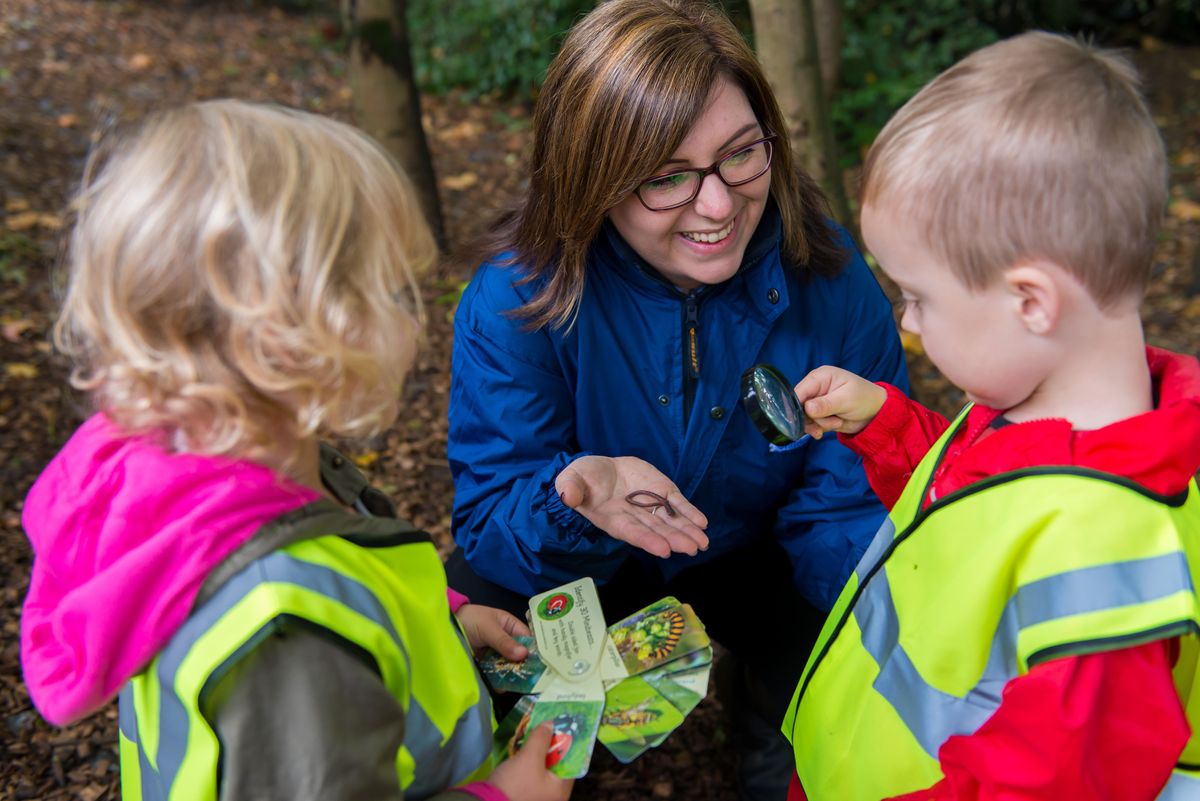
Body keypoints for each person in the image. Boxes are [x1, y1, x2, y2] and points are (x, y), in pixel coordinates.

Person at [19, 100, 571, 801]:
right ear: (295, 334)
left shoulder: (176, 488)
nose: (418, 315)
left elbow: (347, 579)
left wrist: (445, 621)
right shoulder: (286, 634)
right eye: (394, 288)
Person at [444, 1, 908, 797]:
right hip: (592, 555)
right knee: (489, 628)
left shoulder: (829, 280)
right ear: (593, 176)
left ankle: (777, 723)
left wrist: (880, 625)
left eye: (740, 155)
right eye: (666, 175)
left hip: (758, 543)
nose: (719, 205)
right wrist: (571, 503)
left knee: (838, 654)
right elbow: (492, 520)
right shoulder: (519, 299)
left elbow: (844, 501)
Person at [781, 32, 1200, 800]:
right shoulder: (1043, 414)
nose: (906, 323)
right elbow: (976, 514)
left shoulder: (1103, 564)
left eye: (919, 296)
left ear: (1030, 301)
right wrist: (886, 424)